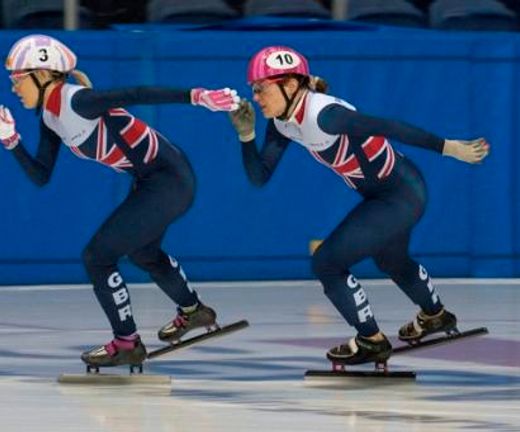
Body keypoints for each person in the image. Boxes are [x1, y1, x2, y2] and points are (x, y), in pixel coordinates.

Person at [227, 46, 490, 366]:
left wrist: (448, 148)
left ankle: (371, 340)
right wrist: (246, 135)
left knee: (327, 262)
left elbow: (389, 126)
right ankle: (435, 316)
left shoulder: (324, 114)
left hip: (399, 193)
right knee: (391, 260)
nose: (255, 96)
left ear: (291, 85)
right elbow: (260, 176)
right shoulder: (283, 122)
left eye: (261, 88)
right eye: (253, 89)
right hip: (387, 194)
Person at [0, 34, 240, 369]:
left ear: (43, 75)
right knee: (142, 252)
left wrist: (199, 97)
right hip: (153, 179)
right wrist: (11, 140)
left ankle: (126, 342)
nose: (12, 87)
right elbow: (41, 175)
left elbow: (139, 93)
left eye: (17, 79)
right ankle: (194, 311)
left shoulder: (77, 100)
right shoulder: (50, 117)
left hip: (169, 179)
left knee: (98, 256)